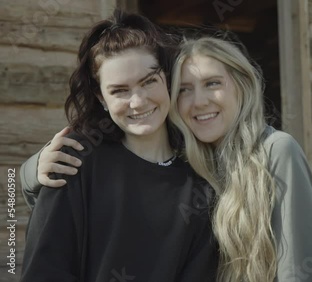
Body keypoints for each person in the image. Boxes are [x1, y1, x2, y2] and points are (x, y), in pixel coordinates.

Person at [21, 37, 312, 281]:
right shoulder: (197, 160)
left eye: (213, 83)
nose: (199, 101)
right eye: (184, 89)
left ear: (241, 84)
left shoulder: (276, 150)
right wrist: (29, 171)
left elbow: (301, 268)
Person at [20, 10, 218, 282]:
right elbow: (44, 272)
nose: (138, 102)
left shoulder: (202, 179)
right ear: (101, 97)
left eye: (149, 81)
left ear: (168, 78)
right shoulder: (74, 159)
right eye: (119, 90)